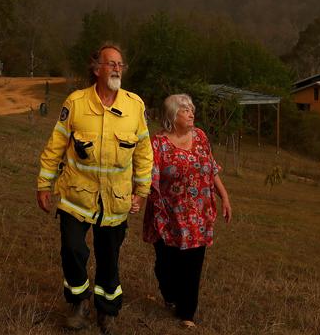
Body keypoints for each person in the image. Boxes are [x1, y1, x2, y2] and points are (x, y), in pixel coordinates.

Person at [36, 42, 152, 335]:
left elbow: (144, 152)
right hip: (76, 197)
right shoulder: (75, 103)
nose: (116, 68)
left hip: (115, 201)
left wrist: (142, 191)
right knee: (73, 251)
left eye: (120, 64)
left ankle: (107, 310)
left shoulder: (134, 106)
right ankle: (77, 303)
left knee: (108, 259)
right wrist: (43, 184)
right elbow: (56, 146)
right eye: (110, 63)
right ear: (96, 68)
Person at [143, 94, 232, 328]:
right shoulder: (158, 144)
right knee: (166, 265)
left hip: (198, 215)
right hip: (167, 214)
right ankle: (170, 294)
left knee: (193, 265)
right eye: (185, 110)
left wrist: (224, 196)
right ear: (173, 116)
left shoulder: (200, 136)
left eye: (191, 109)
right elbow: (150, 178)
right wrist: (137, 197)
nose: (191, 113)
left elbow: (211, 168)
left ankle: (187, 313)